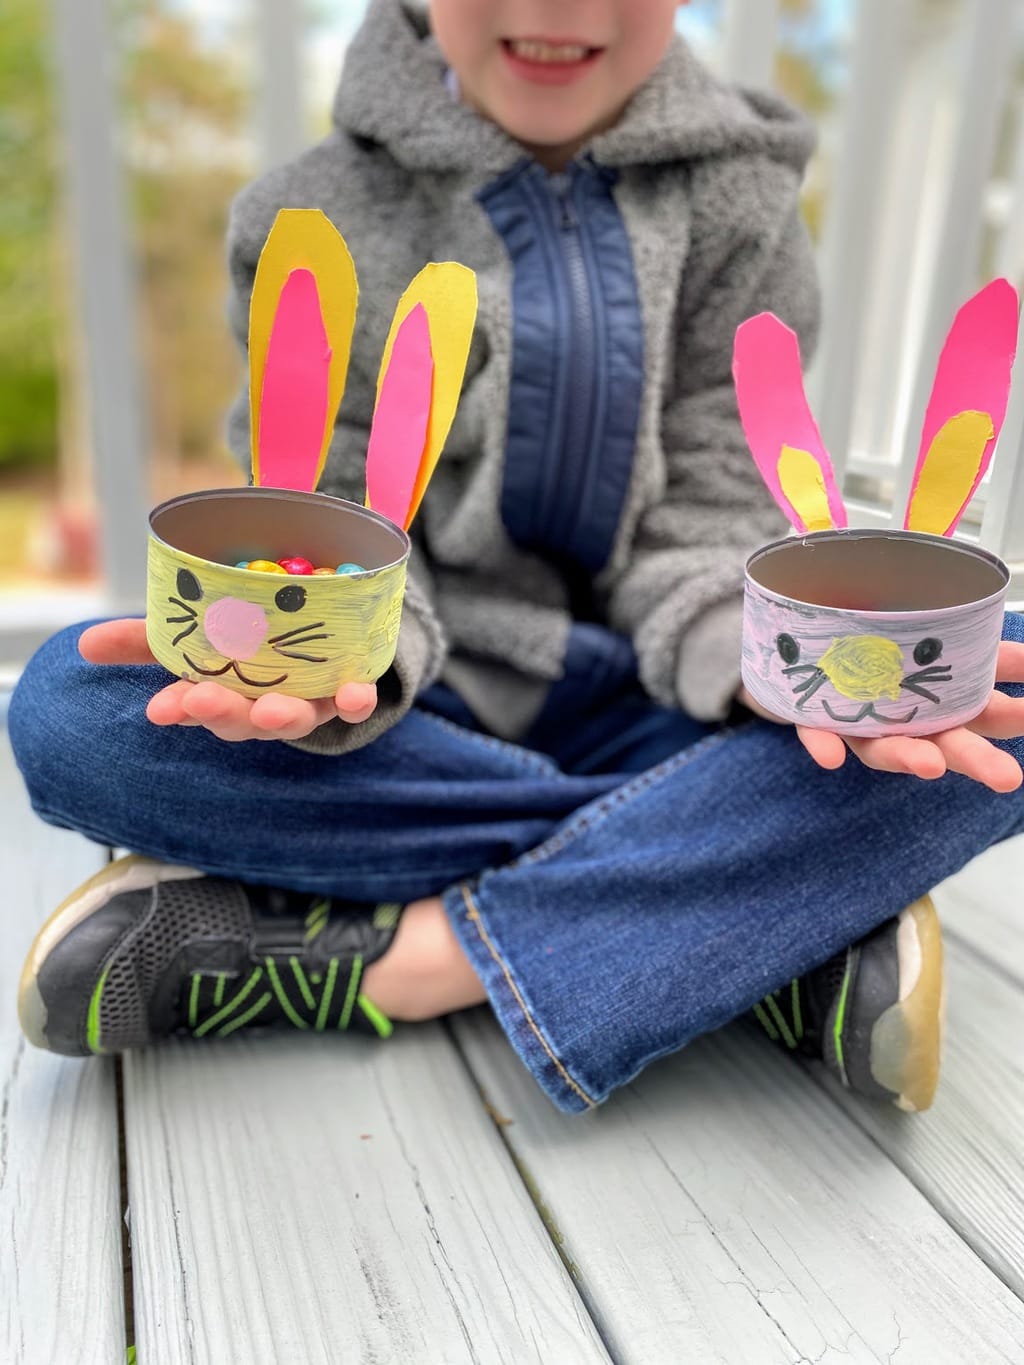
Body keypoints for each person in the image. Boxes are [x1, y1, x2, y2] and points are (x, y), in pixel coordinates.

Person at [10, 0, 1024, 1117]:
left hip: (660, 705)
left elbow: (715, 508)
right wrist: (335, 661)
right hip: (424, 712)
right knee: (73, 705)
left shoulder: (741, 205)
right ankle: (749, 914)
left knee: (1001, 684)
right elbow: (331, 509)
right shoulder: (309, 213)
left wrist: (775, 668)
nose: (557, 10)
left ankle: (407, 961)